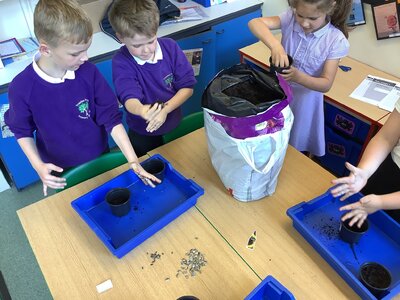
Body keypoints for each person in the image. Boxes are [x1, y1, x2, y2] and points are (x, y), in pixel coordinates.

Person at [4, 0, 159, 196]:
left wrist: (133, 161)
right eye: (76, 53)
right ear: (45, 49)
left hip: (99, 154)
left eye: (87, 49)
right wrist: (38, 166)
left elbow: (111, 118)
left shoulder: (88, 72)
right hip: (60, 167)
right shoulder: (22, 87)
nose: (85, 57)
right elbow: (22, 130)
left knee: (107, 197)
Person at [248, 0, 351, 157]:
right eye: (300, 15)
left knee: (294, 144)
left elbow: (326, 84)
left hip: (304, 103)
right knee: (270, 138)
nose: (304, 23)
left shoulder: (335, 40)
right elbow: (254, 22)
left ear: (329, 9)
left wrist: (298, 77)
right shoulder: (289, 18)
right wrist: (276, 46)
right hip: (279, 93)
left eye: (312, 18)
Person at [108, 0, 196, 157]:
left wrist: (165, 109)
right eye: (137, 45)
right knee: (148, 166)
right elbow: (129, 98)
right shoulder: (121, 61)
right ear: (120, 37)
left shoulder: (170, 47)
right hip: (142, 132)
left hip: (174, 124)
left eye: (151, 41)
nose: (146, 50)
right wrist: (142, 110)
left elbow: (187, 87)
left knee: (180, 160)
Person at [331, 99, 400, 227]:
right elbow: (386, 138)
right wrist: (364, 171)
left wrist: (381, 202)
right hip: (390, 170)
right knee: (357, 216)